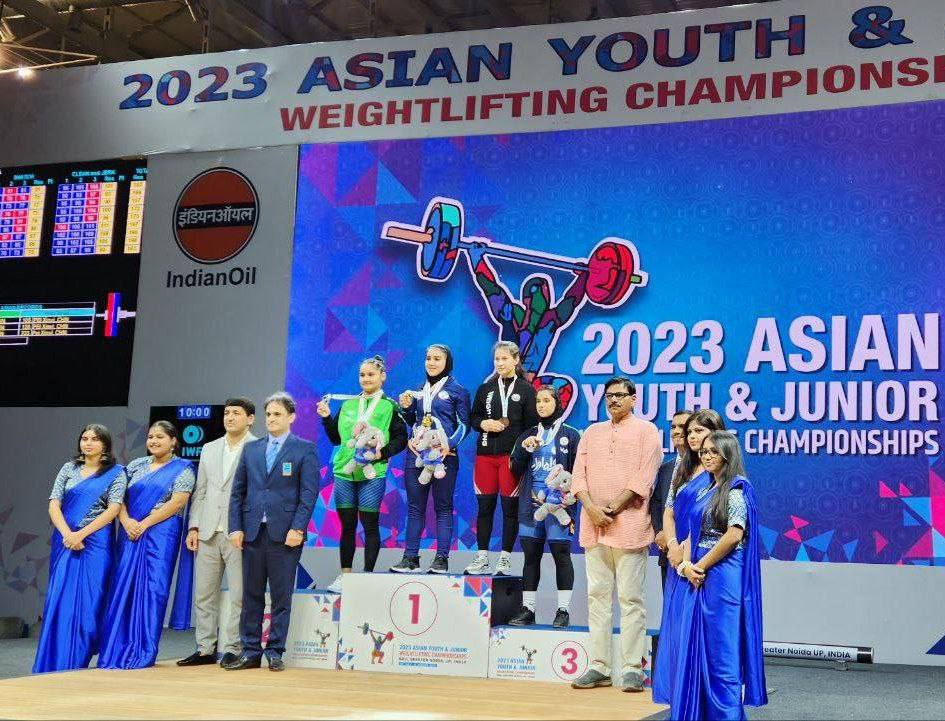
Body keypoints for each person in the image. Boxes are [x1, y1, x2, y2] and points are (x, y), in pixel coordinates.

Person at [657, 431, 767, 719]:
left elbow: (734, 535)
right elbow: (692, 533)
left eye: (713, 452)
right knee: (696, 646)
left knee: (721, 651)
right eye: (704, 451)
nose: (706, 456)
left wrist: (701, 565)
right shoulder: (703, 489)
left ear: (728, 455)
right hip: (697, 573)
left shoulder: (737, 489)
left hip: (723, 576)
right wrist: (685, 566)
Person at [569, 377, 662, 693]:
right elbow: (577, 477)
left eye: (620, 395)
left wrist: (611, 509)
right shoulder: (592, 432)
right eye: (608, 395)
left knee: (631, 598)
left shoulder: (647, 431)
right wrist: (591, 509)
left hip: (630, 526)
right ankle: (599, 666)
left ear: (634, 399)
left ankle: (633, 668)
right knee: (597, 597)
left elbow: (644, 478)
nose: (613, 400)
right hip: (593, 525)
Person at [225, 392, 319, 672]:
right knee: (251, 595)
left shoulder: (305, 449)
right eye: (268, 414)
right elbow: (237, 492)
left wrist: (298, 527)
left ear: (291, 417)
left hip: (286, 534)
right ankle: (250, 652)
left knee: (281, 596)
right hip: (252, 532)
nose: (271, 419)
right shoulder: (251, 449)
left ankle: (275, 651)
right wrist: (235, 527)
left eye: (277, 414)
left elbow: (309, 494)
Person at [97, 421, 195, 669]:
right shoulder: (135, 466)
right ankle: (114, 650)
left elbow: (177, 502)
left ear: (173, 441)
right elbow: (117, 498)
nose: (153, 441)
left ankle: (143, 650)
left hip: (161, 535)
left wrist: (145, 523)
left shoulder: (183, 468)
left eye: (160, 437)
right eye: (151, 437)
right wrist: (127, 521)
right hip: (129, 533)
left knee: (154, 590)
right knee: (123, 588)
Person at [32, 424, 126, 673]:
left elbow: (114, 509)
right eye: (84, 438)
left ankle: (78, 661)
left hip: (96, 544)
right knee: (60, 598)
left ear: (105, 445)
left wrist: (81, 534)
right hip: (65, 542)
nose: (88, 443)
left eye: (94, 439)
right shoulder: (68, 468)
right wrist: (68, 534)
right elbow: (54, 504)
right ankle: (54, 660)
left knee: (91, 603)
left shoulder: (116, 473)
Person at [653, 408, 727, 703]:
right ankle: (681, 701)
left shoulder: (720, 470)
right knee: (677, 630)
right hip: (677, 562)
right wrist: (673, 546)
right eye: (690, 432)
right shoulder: (681, 468)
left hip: (703, 563)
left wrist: (687, 552)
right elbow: (669, 511)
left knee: (703, 633)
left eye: (699, 431)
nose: (692, 436)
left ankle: (707, 702)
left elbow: (719, 520)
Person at [177, 397, 257, 669]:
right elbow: (200, 490)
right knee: (204, 594)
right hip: (208, 530)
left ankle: (233, 648)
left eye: (236, 413)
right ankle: (205, 648)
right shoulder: (209, 448)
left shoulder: (257, 447)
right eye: (226, 413)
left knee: (239, 595)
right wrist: (194, 526)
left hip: (239, 532)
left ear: (250, 419)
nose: (230, 417)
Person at [316, 356, 407, 593]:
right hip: (344, 472)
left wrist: (381, 454)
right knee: (347, 526)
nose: (366, 379)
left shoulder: (390, 406)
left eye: (371, 374)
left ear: (382, 376)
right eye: (362, 375)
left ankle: (366, 577)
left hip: (371, 473)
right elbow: (336, 439)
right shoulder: (348, 404)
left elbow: (402, 439)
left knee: (369, 524)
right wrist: (326, 417)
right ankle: (346, 578)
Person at [391, 344, 470, 574]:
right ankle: (410, 558)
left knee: (443, 508)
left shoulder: (458, 391)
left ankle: (441, 559)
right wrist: (407, 409)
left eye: (437, 358)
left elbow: (465, 425)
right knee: (415, 508)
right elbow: (413, 421)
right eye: (428, 358)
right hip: (416, 456)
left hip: (444, 457)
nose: (431, 362)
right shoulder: (420, 390)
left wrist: (448, 445)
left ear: (447, 362)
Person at [507, 385, 581, 627]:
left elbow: (580, 473)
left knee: (561, 555)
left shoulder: (571, 435)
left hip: (559, 506)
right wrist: (524, 450)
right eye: (538, 401)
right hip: (531, 505)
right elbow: (514, 469)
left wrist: (572, 498)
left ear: (557, 403)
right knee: (531, 556)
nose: (541, 405)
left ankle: (563, 611)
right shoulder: (527, 435)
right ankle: (528, 609)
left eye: (547, 400)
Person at [465, 340, 538, 576]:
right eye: (497, 359)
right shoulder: (485, 389)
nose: (500, 363)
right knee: (484, 507)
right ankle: (482, 557)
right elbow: (473, 418)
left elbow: (532, 426)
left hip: (510, 459)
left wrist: (521, 451)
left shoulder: (527, 390)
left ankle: (505, 559)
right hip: (485, 456)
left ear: (516, 360)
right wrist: (483, 423)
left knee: (509, 509)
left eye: (504, 358)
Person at [649, 410, 691, 587]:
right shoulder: (665, 468)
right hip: (668, 552)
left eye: (682, 426)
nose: (676, 431)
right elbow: (656, 502)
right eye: (673, 427)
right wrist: (660, 531)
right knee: (668, 603)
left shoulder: (706, 468)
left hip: (695, 554)